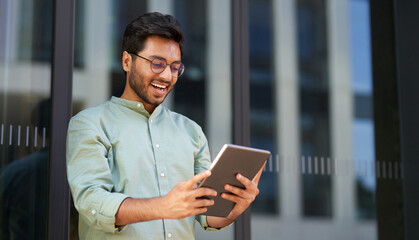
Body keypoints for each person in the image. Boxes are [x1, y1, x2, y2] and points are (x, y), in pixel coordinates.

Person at [66, 12, 263, 240]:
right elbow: (90, 202)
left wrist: (236, 207)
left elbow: (207, 214)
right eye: (157, 63)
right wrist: (162, 206)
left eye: (175, 67)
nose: (167, 76)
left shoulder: (191, 131)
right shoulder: (90, 123)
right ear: (127, 61)